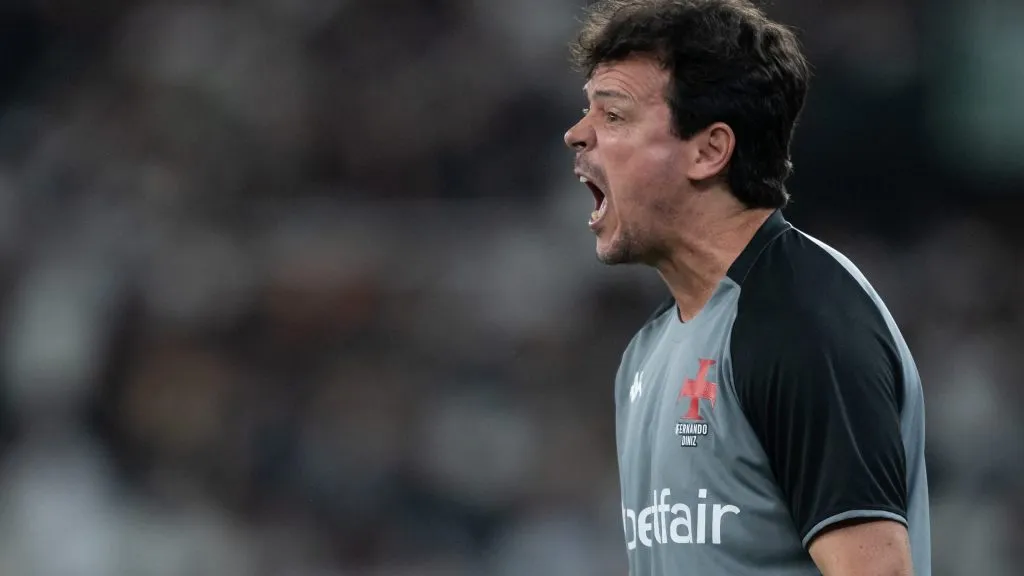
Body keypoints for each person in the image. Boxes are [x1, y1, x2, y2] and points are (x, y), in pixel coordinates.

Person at [562, 1, 931, 575]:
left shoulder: (803, 319)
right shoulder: (645, 354)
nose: (576, 134)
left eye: (613, 116)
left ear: (710, 150)